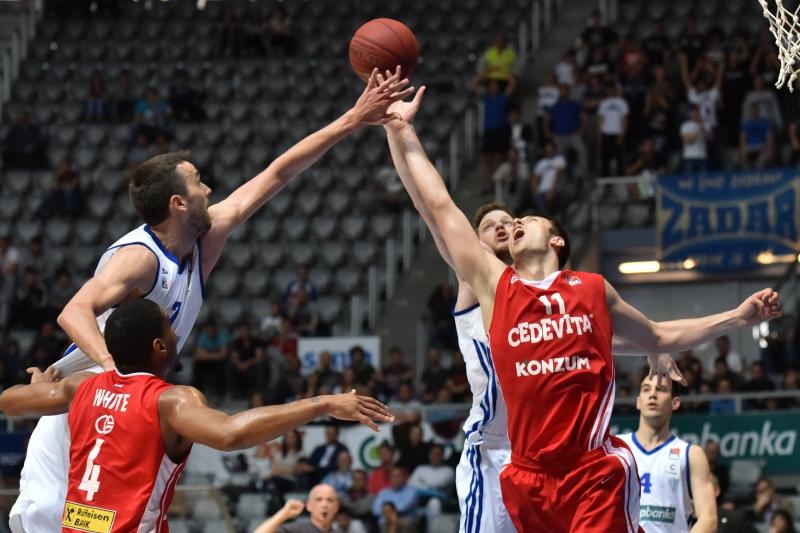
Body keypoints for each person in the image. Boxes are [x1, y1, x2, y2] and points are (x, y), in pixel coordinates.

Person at [8, 68, 412, 532]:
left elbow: (278, 173)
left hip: (126, 406)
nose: (209, 189)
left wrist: (353, 119)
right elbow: (73, 311)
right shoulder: (140, 258)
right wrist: (115, 375)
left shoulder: (204, 239)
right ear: (178, 202)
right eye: (198, 181)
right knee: (55, 519)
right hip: (85, 410)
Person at [381, 77, 782, 532]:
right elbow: (437, 203)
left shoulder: (592, 288)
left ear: (556, 239)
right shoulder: (494, 285)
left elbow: (659, 335)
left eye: (526, 219)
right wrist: (403, 130)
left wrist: (738, 317)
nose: (515, 224)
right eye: (507, 225)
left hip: (590, 471)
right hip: (524, 472)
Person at [0, 301, 393, 532]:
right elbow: (230, 434)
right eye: (169, 329)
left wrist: (38, 384)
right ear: (158, 346)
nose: (176, 335)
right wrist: (322, 403)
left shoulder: (79, 386)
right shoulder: (170, 401)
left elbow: (9, 401)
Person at [385, 93, 515, 530]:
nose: (501, 226)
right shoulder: (474, 275)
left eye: (507, 221)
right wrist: (394, 128)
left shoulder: (545, 288)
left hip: (548, 444)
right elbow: (428, 205)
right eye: (488, 224)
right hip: (495, 445)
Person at [618, 373, 717, 532]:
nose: (652, 395)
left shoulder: (691, 454)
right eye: (646, 389)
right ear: (638, 401)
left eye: (661, 389)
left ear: (675, 402)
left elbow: (709, 519)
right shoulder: (617, 448)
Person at [254, 484, 340, 533]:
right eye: (319, 499)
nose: (324, 505)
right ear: (309, 505)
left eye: (330, 500)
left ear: (336, 507)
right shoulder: (294, 530)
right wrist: (284, 514)